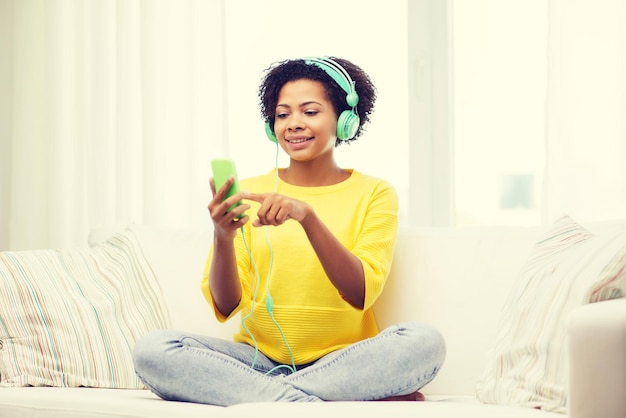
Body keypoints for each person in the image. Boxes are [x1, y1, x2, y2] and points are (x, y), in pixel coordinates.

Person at [132, 56, 446, 405]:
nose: (293, 124)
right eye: (283, 114)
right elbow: (227, 303)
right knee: (154, 349)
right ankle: (312, 402)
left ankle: (270, 401)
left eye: (310, 112)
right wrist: (223, 236)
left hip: (341, 361)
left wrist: (308, 218)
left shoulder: (375, 193)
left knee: (424, 342)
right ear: (272, 126)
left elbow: (360, 292)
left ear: (345, 121)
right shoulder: (248, 191)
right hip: (255, 363)